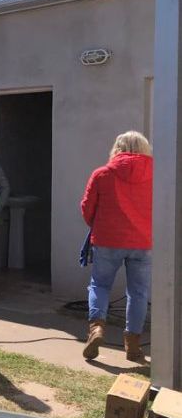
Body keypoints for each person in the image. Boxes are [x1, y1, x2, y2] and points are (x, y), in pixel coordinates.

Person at [80, 131, 153, 362]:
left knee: (100, 285)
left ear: (117, 148)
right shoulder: (158, 174)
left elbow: (87, 208)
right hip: (143, 242)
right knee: (138, 293)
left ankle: (97, 329)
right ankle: (133, 345)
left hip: (107, 240)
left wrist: (99, 225)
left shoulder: (102, 174)